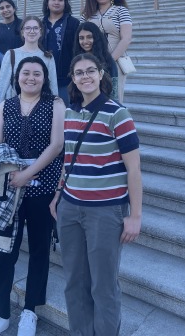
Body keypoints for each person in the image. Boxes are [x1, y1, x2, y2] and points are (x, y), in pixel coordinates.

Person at [50, 53, 142, 336]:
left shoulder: (118, 113)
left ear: (102, 74)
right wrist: (58, 194)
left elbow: (134, 169)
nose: (85, 76)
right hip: (70, 207)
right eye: (79, 73)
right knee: (74, 281)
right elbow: (68, 159)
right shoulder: (70, 112)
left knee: (103, 285)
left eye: (91, 70)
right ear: (73, 79)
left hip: (105, 211)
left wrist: (135, 216)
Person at [0, 56, 65, 336]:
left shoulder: (56, 104)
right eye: (25, 73)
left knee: (39, 249)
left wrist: (28, 173)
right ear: (17, 77)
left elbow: (57, 145)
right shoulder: (6, 104)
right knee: (4, 250)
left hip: (43, 182)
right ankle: (1, 312)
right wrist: (3, 172)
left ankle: (30, 311)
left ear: (44, 77)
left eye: (36, 74)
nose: (31, 78)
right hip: (8, 184)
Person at [81, 0, 132, 100]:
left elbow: (126, 39)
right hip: (91, 62)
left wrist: (109, 60)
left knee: (113, 99)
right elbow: (81, 38)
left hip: (115, 62)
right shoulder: (87, 14)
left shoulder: (121, 11)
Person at [0, 16, 58, 102]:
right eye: (28, 28)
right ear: (22, 32)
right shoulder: (11, 54)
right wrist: (0, 108)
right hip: (14, 105)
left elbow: (53, 86)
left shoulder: (47, 57)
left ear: (41, 32)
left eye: (35, 28)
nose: (32, 31)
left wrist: (54, 105)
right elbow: (2, 84)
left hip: (40, 105)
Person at [41, 0, 79, 105]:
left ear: (65, 3)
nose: (56, 2)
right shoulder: (40, 24)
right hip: (44, 78)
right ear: (47, 2)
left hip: (66, 79)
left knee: (65, 112)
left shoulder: (74, 23)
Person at [73, 21, 119, 100]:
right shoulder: (76, 60)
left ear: (96, 38)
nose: (85, 41)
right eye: (81, 38)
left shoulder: (108, 61)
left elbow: (113, 91)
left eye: (89, 37)